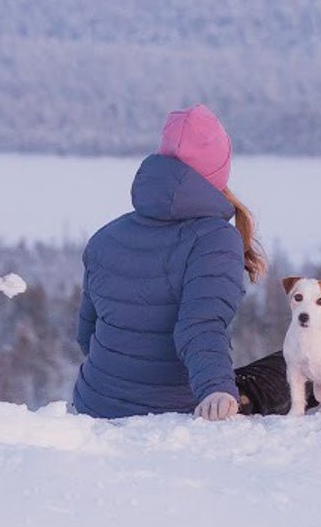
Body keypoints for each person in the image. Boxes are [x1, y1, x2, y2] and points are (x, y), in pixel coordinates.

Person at [72, 104, 292, 420]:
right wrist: (216, 389)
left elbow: (86, 334)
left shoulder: (106, 236)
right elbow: (199, 326)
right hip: (176, 406)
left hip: (94, 401)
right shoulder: (215, 239)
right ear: (218, 171)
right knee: (302, 363)